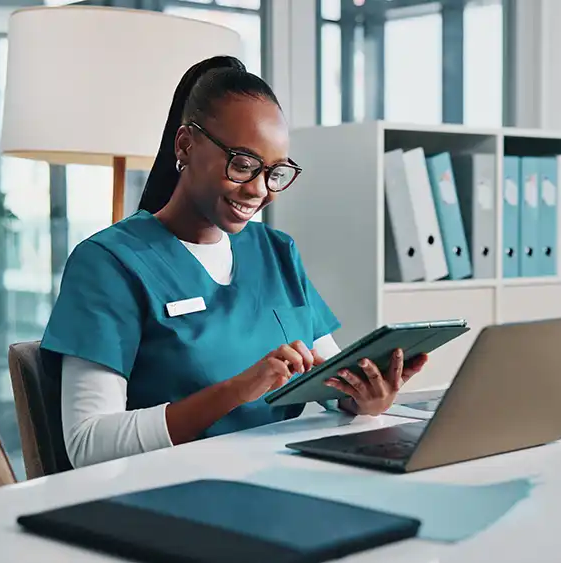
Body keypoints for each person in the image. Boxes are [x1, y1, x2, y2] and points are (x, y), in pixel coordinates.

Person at [41, 55, 429, 468]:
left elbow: (333, 386)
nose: (260, 190)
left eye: (275, 172)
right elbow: (87, 445)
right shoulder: (109, 263)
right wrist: (239, 389)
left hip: (281, 476)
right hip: (173, 493)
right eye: (243, 165)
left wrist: (366, 399)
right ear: (186, 145)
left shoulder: (277, 251)